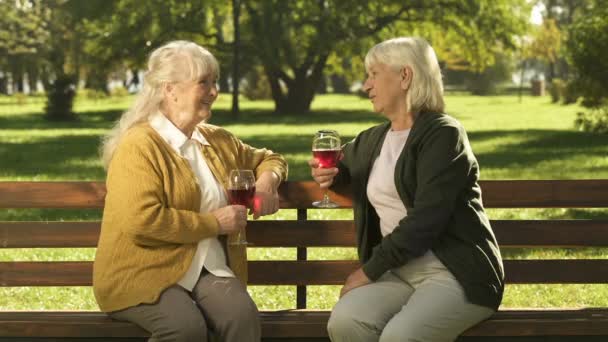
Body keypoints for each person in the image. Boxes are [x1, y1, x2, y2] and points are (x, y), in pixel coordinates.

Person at [309, 37, 504, 341]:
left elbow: (425, 220)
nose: (365, 85)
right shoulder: (372, 139)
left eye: (374, 74)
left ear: (405, 76)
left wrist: (368, 271)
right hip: (400, 274)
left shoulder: (443, 135)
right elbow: (343, 167)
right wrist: (331, 175)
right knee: (346, 321)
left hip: (457, 275)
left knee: (400, 337)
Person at [93, 40, 287, 342]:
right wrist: (215, 223)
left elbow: (270, 159)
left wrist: (267, 182)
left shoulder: (217, 140)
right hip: (143, 271)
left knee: (242, 316)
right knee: (185, 328)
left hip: (206, 268)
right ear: (171, 89)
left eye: (215, 82)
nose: (214, 91)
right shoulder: (139, 145)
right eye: (203, 82)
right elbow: (141, 221)